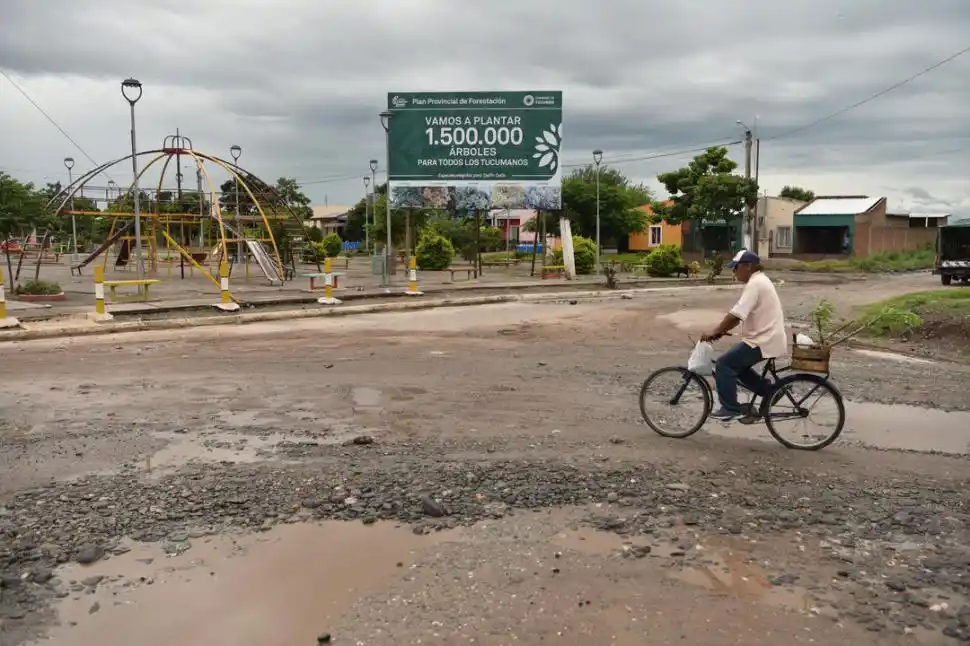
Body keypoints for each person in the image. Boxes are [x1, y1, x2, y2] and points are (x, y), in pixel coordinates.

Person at [701, 250, 787, 420]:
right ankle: (771, 392)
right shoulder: (760, 281)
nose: (734, 272)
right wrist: (721, 331)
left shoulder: (755, 284)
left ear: (748, 267)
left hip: (763, 340)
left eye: (736, 267)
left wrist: (715, 331)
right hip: (767, 338)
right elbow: (739, 315)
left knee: (724, 364)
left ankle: (730, 408)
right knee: (737, 366)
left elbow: (736, 314)